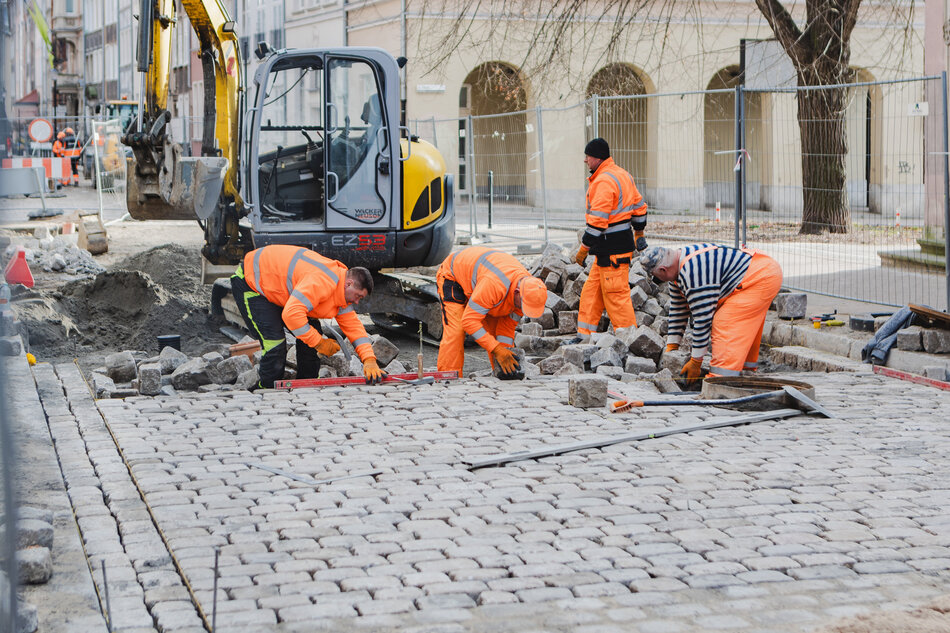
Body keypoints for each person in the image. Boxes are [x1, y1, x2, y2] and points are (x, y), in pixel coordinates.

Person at [230, 244, 387, 389]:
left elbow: (354, 327)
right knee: (275, 342)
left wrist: (369, 360)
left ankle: (306, 386)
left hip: (279, 289)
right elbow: (291, 315)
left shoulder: (340, 292)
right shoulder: (322, 282)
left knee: (311, 334)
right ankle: (267, 392)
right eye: (358, 296)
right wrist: (319, 343)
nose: (357, 302)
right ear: (349, 284)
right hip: (253, 282)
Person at [639, 243, 783, 382]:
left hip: (759, 277)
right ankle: (745, 372)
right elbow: (678, 308)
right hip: (758, 268)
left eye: (655, 276)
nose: (657, 280)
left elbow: (703, 320)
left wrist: (696, 362)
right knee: (742, 326)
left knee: (725, 322)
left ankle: (721, 382)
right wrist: (672, 346)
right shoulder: (677, 266)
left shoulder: (693, 272)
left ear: (663, 270)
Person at [569, 137, 648, 342]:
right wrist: (638, 232)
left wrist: (583, 249)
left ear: (596, 158)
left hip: (612, 248)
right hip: (609, 249)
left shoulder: (604, 181)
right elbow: (640, 208)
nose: (585, 161)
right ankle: (584, 337)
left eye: (587, 156)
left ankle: (630, 341)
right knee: (591, 292)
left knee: (616, 296)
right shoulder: (623, 175)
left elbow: (597, 223)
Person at [436, 246, 548, 376]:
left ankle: (500, 373)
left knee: (493, 336)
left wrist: (505, 354)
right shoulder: (495, 285)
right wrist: (496, 349)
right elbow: (469, 321)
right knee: (456, 331)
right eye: (523, 306)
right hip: (454, 277)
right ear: (517, 293)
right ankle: (448, 378)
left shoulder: (528, 292)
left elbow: (505, 330)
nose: (522, 310)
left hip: (482, 285)